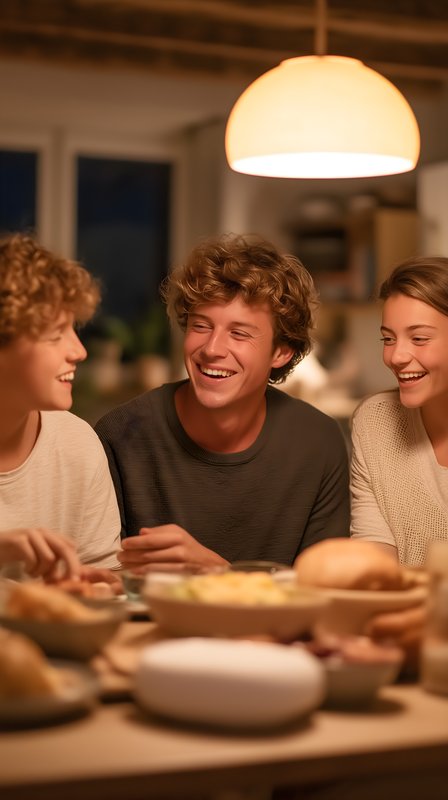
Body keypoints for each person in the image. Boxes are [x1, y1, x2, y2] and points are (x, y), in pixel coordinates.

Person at [95, 233, 350, 572]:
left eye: (239, 333)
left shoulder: (317, 441)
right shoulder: (121, 434)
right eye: (201, 326)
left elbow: (323, 592)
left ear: (281, 351)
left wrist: (218, 574)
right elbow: (103, 586)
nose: (212, 348)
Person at [0, 232, 121, 581]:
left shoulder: (77, 443)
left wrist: (87, 589)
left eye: (73, 328)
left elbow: (104, 580)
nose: (79, 350)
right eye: (55, 335)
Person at [350, 256, 448, 659]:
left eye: (419, 338)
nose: (396, 356)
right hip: (407, 655)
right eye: (388, 338)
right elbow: (376, 569)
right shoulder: (375, 423)